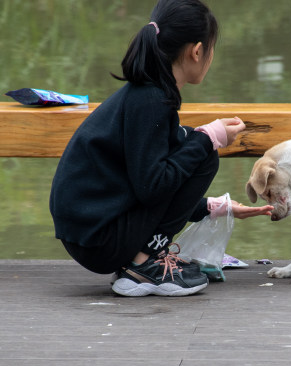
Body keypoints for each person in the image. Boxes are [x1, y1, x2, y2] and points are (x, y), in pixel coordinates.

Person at [50, 0, 272, 297]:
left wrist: (209, 208)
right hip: (98, 237)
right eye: (211, 48)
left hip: (92, 231)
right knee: (202, 151)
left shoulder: (149, 94)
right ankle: (143, 265)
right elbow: (152, 187)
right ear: (197, 51)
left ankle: (139, 260)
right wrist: (207, 138)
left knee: (194, 143)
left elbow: (147, 182)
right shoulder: (151, 101)